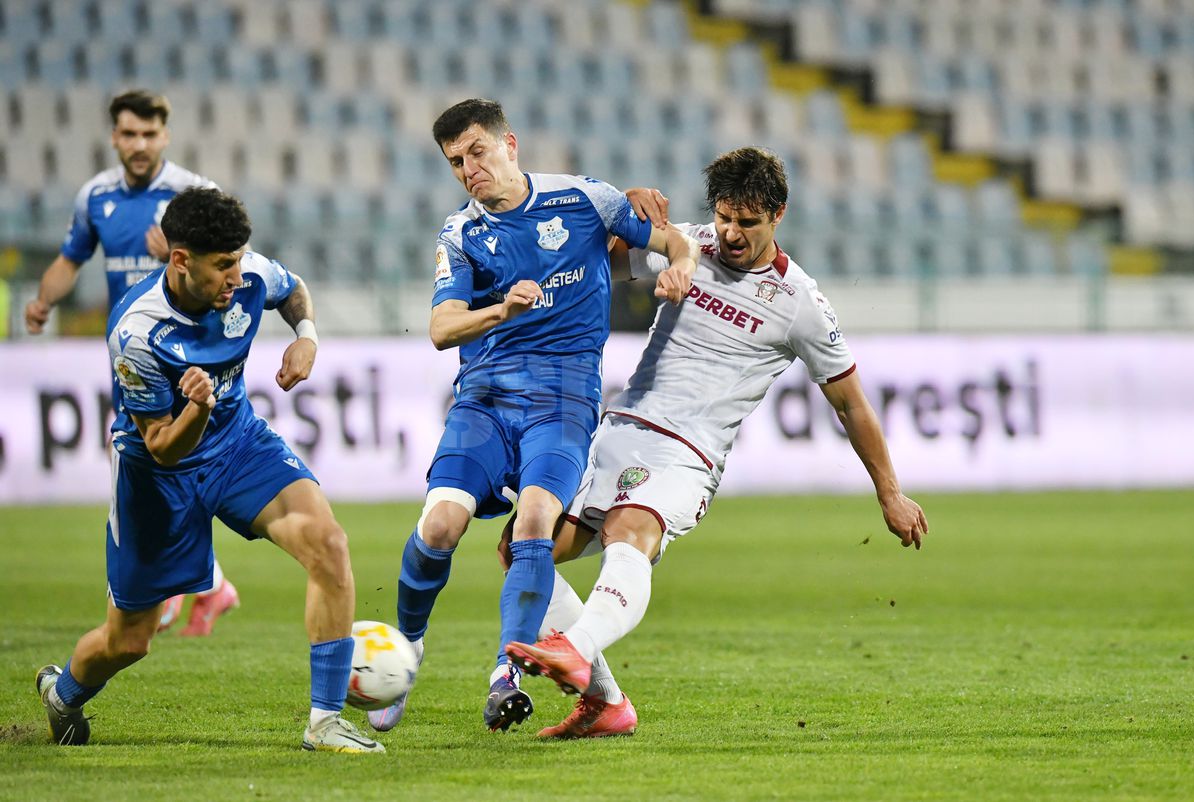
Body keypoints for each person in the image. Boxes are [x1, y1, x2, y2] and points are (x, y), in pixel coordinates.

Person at [503, 147, 930, 738]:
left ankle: (574, 647)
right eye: (725, 216)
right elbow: (597, 265)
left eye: (748, 223)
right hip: (618, 428)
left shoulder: (799, 302)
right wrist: (622, 209)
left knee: (632, 530)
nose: (731, 233)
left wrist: (891, 493)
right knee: (521, 549)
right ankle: (604, 701)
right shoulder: (688, 243)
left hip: (687, 453)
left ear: (778, 215)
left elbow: (850, 401)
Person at [367, 98, 698, 734]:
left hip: (564, 399)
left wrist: (680, 262)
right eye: (455, 162)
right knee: (439, 526)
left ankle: (504, 676)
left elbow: (670, 237)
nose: (468, 170)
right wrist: (500, 313)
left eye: (477, 153)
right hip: (485, 399)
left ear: (509, 144)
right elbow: (440, 329)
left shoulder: (583, 200)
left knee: (536, 522)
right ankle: (404, 655)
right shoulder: (460, 233)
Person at [35, 188, 384, 754]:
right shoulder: (137, 332)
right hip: (157, 476)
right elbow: (163, 446)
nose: (235, 275)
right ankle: (65, 692)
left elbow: (293, 290)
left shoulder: (247, 276)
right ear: (180, 261)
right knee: (130, 641)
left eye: (239, 259)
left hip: (238, 443)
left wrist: (306, 337)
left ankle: (324, 721)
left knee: (329, 544)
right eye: (222, 265)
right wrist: (195, 407)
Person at [24, 89, 238, 637]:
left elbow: (227, 269)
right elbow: (71, 259)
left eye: (149, 134)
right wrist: (45, 300)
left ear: (165, 135)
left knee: (154, 460)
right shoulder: (95, 197)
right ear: (114, 137)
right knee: (145, 462)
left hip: (185, 352)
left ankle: (177, 587)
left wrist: (174, 253)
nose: (139, 145)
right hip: (131, 351)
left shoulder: (192, 195)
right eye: (128, 134)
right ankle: (205, 583)